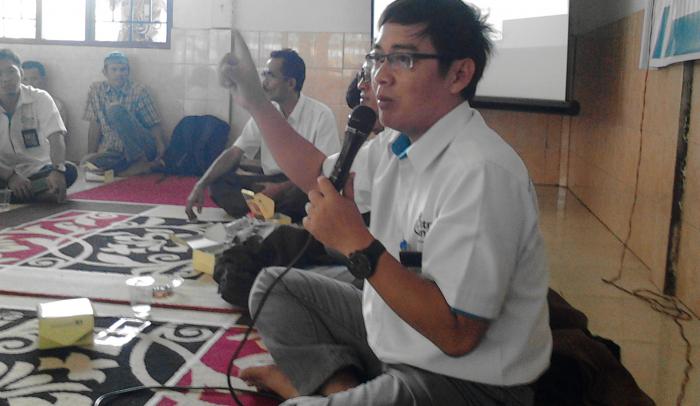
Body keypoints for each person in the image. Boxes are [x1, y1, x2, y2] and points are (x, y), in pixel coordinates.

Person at [220, 0, 552, 404]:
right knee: (273, 287)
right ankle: (341, 390)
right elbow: (318, 173)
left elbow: (458, 335)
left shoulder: (481, 171)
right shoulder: (397, 144)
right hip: (400, 341)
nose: (381, 76)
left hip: (463, 381)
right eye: (378, 58)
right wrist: (257, 101)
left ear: (459, 74)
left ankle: (320, 389)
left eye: (403, 59)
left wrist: (355, 243)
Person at [186, 49, 340, 222]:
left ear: (290, 83)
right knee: (218, 183)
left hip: (300, 184)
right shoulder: (266, 111)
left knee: (309, 194)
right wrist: (201, 183)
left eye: (270, 76)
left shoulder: (321, 115)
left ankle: (266, 209)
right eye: (264, 75)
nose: (264, 83)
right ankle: (273, 210)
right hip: (269, 181)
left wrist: (279, 189)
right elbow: (235, 152)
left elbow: (326, 171)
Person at [0, 49, 77, 203]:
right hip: (2, 172)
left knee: (69, 170)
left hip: (36, 169)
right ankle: (27, 194)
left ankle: (13, 195)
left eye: (11, 71)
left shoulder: (40, 98)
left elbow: (56, 137)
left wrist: (57, 170)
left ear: (21, 73)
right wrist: (10, 176)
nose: (6, 79)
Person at [82, 51, 166, 176]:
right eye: (114, 70)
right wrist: (90, 154)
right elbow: (95, 125)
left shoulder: (139, 90)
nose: (119, 74)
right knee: (86, 162)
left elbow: (154, 123)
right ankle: (137, 169)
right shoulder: (96, 91)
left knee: (115, 109)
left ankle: (139, 162)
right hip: (114, 151)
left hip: (142, 148)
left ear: (128, 72)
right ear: (105, 72)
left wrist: (160, 149)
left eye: (123, 70)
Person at [21, 60, 69, 129]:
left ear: (43, 80)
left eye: (34, 79)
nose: (29, 84)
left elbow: (58, 133)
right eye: (25, 79)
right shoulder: (14, 104)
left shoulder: (56, 105)